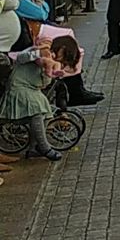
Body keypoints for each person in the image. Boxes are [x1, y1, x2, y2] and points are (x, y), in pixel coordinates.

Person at [1, 33, 81, 162]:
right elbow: (21, 57)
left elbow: (45, 82)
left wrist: (51, 72)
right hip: (19, 87)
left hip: (32, 90)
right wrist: (39, 55)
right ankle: (43, 147)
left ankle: (34, 147)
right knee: (36, 111)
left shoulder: (52, 62)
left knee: (43, 112)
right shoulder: (39, 50)